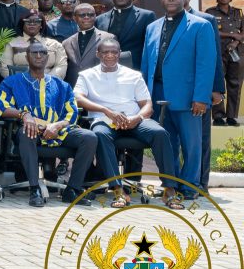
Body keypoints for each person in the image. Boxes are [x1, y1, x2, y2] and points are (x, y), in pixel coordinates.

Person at [74, 39, 179, 209]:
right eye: (105, 52)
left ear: (119, 53)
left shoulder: (133, 75)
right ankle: (117, 189)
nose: (110, 55)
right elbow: (77, 98)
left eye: (114, 52)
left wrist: (136, 118)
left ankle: (170, 189)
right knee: (99, 134)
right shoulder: (86, 75)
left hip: (133, 120)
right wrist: (106, 110)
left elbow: (147, 105)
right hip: (104, 120)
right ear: (98, 54)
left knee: (160, 133)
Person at [0, 41, 97, 208]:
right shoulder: (12, 82)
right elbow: (2, 106)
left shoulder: (61, 85)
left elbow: (72, 113)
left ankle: (72, 189)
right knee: (27, 132)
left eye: (42, 53)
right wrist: (24, 114)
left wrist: (56, 126)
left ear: (48, 58)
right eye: (34, 53)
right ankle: (34, 188)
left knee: (90, 137)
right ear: (26, 57)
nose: (38, 56)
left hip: (58, 131)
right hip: (30, 131)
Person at [141, 0, 217, 197]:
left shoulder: (201, 26)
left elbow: (206, 64)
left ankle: (190, 187)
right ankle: (170, 185)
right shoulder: (152, 27)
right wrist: (144, 97)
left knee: (191, 145)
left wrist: (201, 97)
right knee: (166, 144)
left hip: (188, 96)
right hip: (157, 93)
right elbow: (147, 63)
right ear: (161, 0)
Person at [177, 0, 227, 193]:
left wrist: (217, 89)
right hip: (176, 91)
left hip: (201, 89)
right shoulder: (166, 20)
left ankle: (201, 183)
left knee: (201, 139)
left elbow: (214, 57)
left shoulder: (205, 19)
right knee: (177, 140)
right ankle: (178, 181)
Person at [95, 0, 156, 70]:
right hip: (106, 68)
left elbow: (151, 45)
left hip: (135, 68)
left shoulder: (146, 16)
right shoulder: (99, 19)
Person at [207, 0, 242, 126]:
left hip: (237, 53)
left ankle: (232, 116)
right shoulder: (210, 12)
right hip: (218, 53)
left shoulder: (238, 13)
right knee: (218, 83)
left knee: (235, 84)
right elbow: (211, 31)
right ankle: (218, 116)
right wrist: (232, 35)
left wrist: (235, 42)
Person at [0, 11, 67, 79]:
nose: (32, 24)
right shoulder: (12, 44)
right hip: (20, 85)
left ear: (41, 25)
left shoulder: (55, 44)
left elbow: (61, 65)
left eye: (36, 21)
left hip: (48, 85)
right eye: (28, 21)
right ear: (22, 24)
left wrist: (47, 80)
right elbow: (5, 68)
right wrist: (21, 83)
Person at [61, 3, 113, 88]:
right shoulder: (66, 43)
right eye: (82, 15)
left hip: (99, 87)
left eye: (90, 14)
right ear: (74, 18)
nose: (86, 17)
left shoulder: (108, 38)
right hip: (73, 88)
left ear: (95, 16)